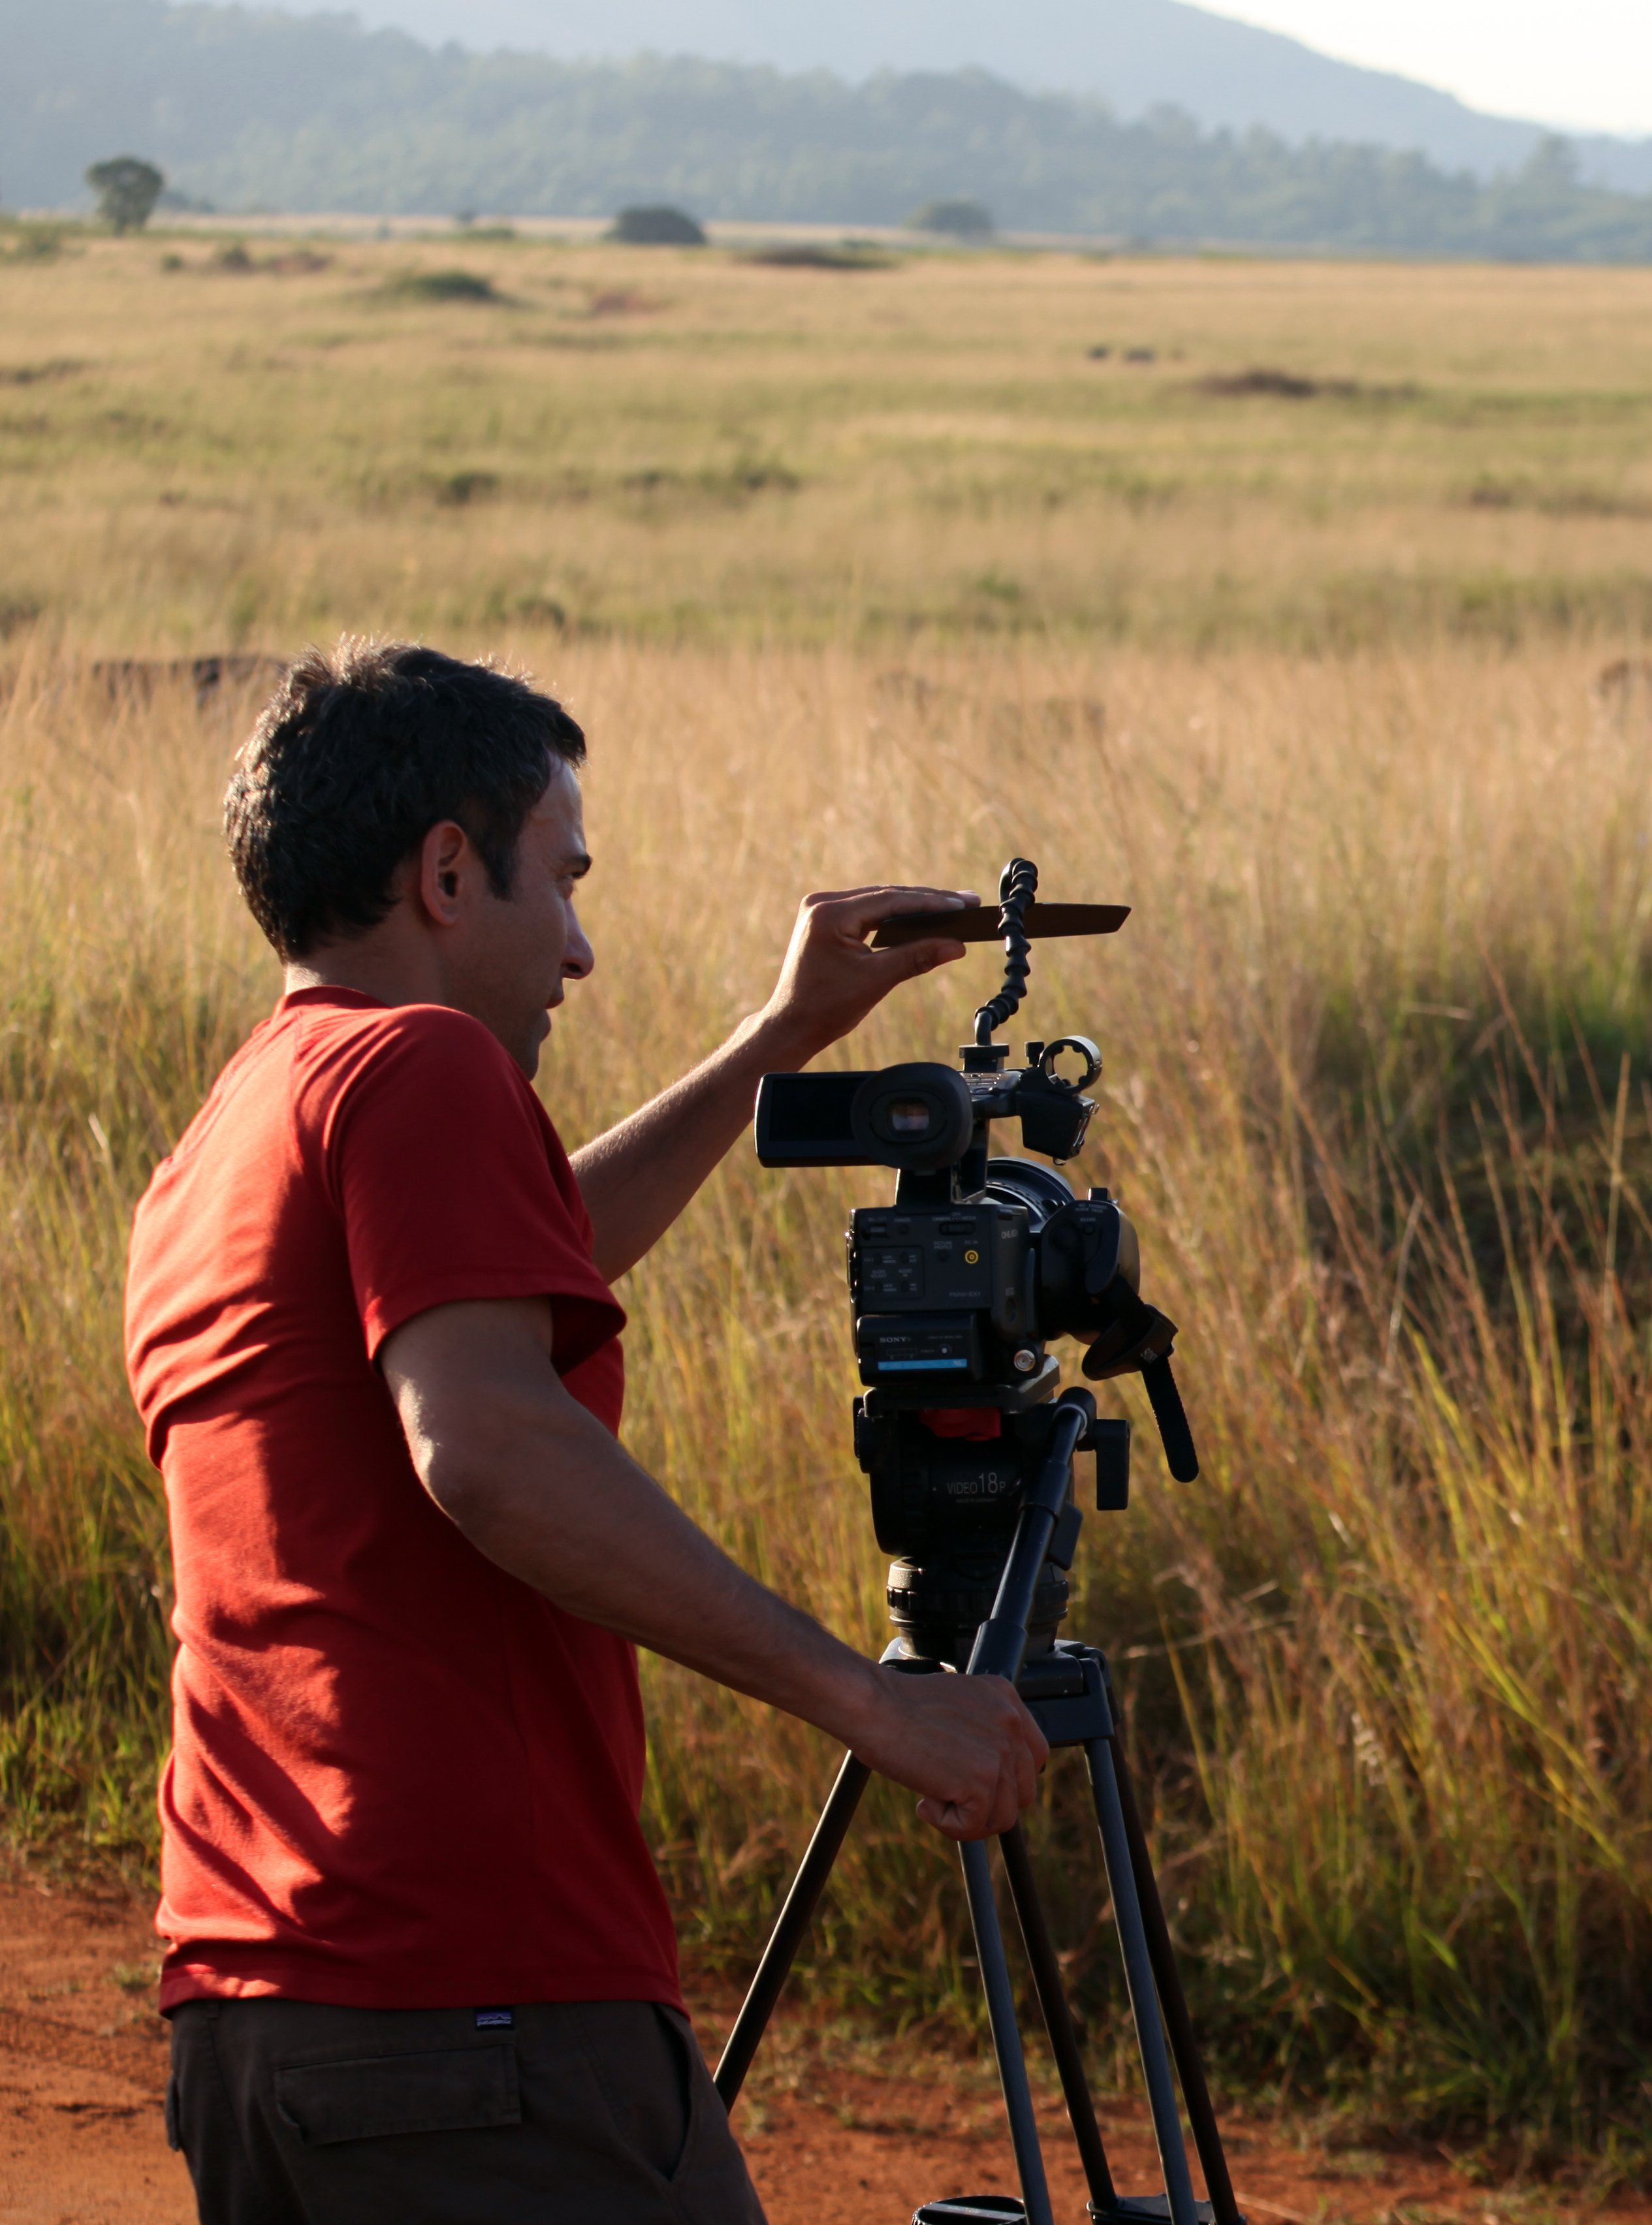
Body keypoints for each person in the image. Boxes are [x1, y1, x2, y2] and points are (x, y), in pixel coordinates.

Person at [123, 639, 1053, 2222]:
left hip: (268, 2012)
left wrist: (776, 1042)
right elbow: (483, 1445)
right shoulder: (422, 1065)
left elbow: (526, 1254)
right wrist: (867, 1703)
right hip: (474, 2016)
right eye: (560, 881)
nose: (579, 948)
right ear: (443, 874)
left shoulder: (230, 1137)